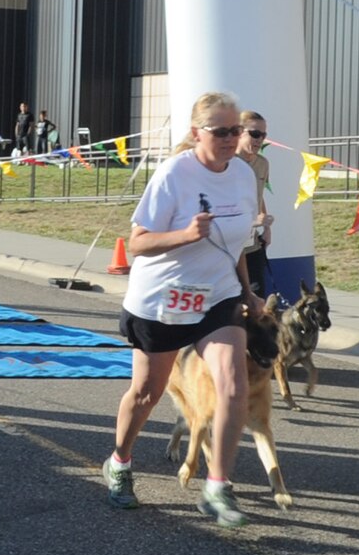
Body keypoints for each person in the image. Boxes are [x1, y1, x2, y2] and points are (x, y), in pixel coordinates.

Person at [102, 92, 265, 528]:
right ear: (197, 133)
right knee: (147, 394)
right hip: (163, 299)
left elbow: (237, 244)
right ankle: (119, 460)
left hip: (218, 295)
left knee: (233, 385)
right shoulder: (174, 174)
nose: (233, 139)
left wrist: (247, 292)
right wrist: (186, 235)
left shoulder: (244, 177)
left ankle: (218, 486)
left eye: (239, 131)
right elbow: (137, 243)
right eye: (222, 131)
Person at [234, 110, 274, 298]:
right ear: (240, 132)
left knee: (258, 299)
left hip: (252, 244)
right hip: (229, 244)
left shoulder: (263, 163)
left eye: (263, 135)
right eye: (255, 134)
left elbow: (259, 195)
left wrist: (266, 227)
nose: (259, 140)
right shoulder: (227, 163)